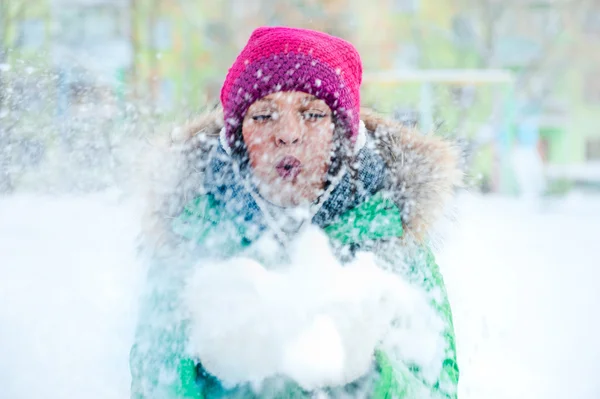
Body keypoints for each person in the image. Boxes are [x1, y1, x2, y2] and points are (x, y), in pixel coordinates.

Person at [130, 26, 463, 399]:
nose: (288, 133)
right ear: (237, 137)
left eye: (312, 114)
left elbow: (438, 390)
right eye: (263, 116)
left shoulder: (390, 233)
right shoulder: (192, 233)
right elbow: (151, 385)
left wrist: (370, 375)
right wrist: (209, 364)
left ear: (343, 136)